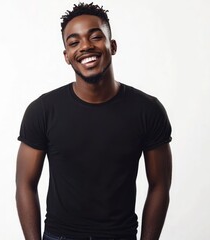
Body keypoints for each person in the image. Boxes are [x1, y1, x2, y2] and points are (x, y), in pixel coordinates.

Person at [15, 2, 172, 240]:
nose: (86, 46)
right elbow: (25, 184)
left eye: (96, 37)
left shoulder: (147, 110)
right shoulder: (43, 111)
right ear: (66, 56)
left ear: (113, 45)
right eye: (74, 42)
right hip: (60, 236)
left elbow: (160, 186)